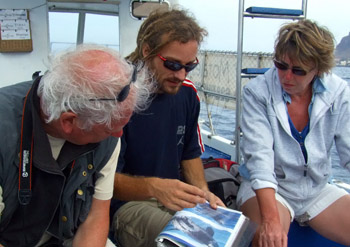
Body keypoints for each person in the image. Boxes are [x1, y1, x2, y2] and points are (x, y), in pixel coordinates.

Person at [0, 44, 153, 247]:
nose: (119, 135)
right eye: (110, 129)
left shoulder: (109, 129)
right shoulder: (4, 133)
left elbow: (95, 217)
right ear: (69, 122)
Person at [110, 8, 225, 247]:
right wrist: (155, 188)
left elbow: (189, 154)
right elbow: (100, 180)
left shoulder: (188, 94)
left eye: (189, 66)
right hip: (127, 206)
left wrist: (203, 195)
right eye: (172, 64)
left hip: (174, 198)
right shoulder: (117, 96)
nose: (181, 74)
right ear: (146, 51)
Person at [236, 19, 350, 247]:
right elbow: (260, 160)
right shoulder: (257, 93)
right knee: (267, 241)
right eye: (281, 66)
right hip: (270, 188)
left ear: (318, 69)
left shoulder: (338, 92)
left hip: (315, 189)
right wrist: (271, 221)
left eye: (298, 70)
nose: (286, 77)